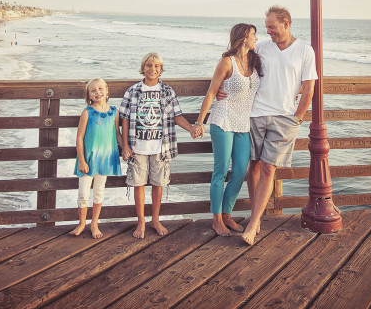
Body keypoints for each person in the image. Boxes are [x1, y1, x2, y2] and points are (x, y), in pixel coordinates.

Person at [237, 6, 317, 244]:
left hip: (285, 118)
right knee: (253, 166)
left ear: (286, 23)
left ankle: (252, 224)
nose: (268, 31)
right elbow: (238, 67)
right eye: (266, 27)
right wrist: (221, 87)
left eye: (271, 26)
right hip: (255, 114)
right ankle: (257, 216)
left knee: (270, 169)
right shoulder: (260, 48)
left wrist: (298, 118)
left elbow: (309, 88)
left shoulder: (304, 50)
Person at [120, 52, 199, 239]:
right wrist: (124, 145)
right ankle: (141, 222)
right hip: (137, 147)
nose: (152, 69)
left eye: (156, 66)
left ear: (161, 69)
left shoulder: (167, 91)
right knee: (138, 184)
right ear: (143, 68)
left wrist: (191, 129)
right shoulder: (132, 91)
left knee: (158, 183)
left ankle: (155, 220)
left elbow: (176, 116)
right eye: (149, 65)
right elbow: (123, 118)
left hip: (160, 147)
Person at [195, 24, 263, 236]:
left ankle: (227, 214)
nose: (256, 38)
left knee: (241, 170)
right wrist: (199, 122)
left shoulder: (253, 59)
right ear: (244, 38)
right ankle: (216, 220)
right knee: (221, 171)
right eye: (253, 35)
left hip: (243, 123)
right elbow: (211, 92)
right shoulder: (227, 62)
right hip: (223, 120)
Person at [70, 77, 122, 238]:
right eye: (93, 91)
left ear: (107, 91)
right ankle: (81, 223)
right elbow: (79, 138)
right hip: (88, 160)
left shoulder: (114, 112)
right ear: (89, 96)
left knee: (99, 192)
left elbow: (117, 134)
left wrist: (126, 148)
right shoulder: (87, 112)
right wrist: (82, 160)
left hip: (105, 159)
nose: (98, 92)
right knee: (83, 194)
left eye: (100, 89)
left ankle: (94, 224)